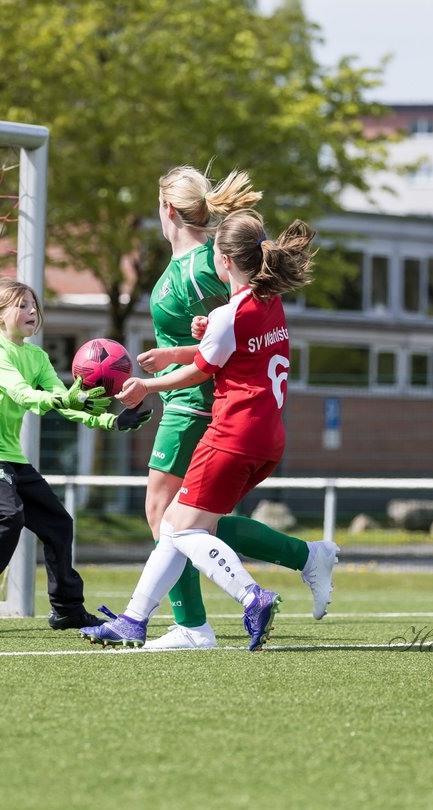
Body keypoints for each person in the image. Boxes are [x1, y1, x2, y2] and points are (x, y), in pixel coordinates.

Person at [80, 211, 315, 651]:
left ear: (224, 261)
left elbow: (200, 371)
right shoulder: (269, 302)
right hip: (267, 436)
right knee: (175, 524)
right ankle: (134, 619)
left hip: (231, 433)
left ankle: (250, 596)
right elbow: (232, 345)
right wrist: (188, 344)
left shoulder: (230, 313)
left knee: (184, 530)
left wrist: (147, 384)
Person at [134, 165, 338, 651]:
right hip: (210, 405)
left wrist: (153, 381)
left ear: (166, 208)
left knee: (169, 517)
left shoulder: (210, 262)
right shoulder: (206, 263)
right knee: (196, 521)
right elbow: (229, 332)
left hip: (202, 407)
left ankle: (191, 625)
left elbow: (228, 338)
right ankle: (306, 557)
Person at [0, 278, 152, 631]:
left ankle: (67, 609)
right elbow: (25, 396)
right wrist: (69, 398)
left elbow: (65, 403)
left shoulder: (36, 356)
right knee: (8, 516)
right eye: (21, 305)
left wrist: (112, 419)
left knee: (59, 524)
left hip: (10, 457)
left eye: (34, 305)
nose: (31, 311)